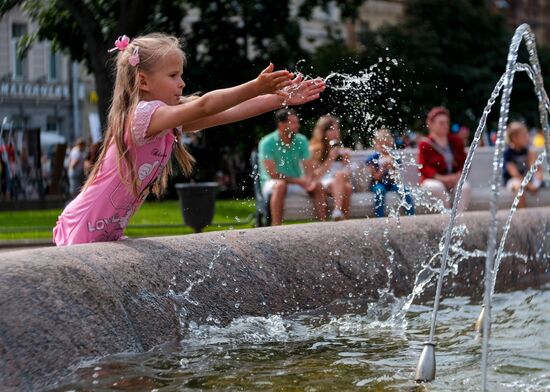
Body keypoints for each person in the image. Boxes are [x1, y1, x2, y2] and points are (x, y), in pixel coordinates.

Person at [53, 33, 325, 245]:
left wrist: (280, 98)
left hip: (105, 232)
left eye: (180, 74)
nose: (181, 83)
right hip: (83, 229)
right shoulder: (142, 116)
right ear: (143, 82)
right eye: (173, 75)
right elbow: (205, 105)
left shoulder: (165, 120)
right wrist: (255, 86)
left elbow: (226, 113)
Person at [258, 108, 327, 225]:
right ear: (281, 124)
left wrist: (309, 181)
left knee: (317, 185)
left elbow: (308, 167)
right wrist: (300, 181)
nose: (297, 125)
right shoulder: (267, 142)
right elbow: (273, 174)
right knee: (280, 185)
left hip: (296, 182)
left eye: (297, 122)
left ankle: (323, 226)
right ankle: (276, 228)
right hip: (272, 183)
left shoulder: (301, 140)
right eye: (293, 122)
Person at [418, 106, 471, 211]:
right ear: (431, 124)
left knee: (465, 187)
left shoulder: (456, 141)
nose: (445, 126)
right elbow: (423, 167)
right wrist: (441, 178)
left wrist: (457, 176)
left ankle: (458, 218)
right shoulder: (425, 144)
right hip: (434, 180)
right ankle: (446, 217)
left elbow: (465, 162)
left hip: (454, 179)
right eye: (441, 123)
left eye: (447, 122)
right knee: (436, 188)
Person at [309, 115, 353, 220]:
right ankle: (341, 218)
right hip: (323, 182)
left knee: (345, 184)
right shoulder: (314, 150)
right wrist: (330, 158)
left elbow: (348, 172)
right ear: (323, 131)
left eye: (337, 129)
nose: (335, 132)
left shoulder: (341, 149)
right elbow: (315, 175)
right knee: (345, 186)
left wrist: (345, 163)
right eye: (331, 129)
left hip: (338, 182)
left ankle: (338, 215)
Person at [366, 128, 414, 217]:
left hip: (392, 183)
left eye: (387, 145)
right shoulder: (373, 158)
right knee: (379, 191)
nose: (384, 148)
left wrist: (392, 168)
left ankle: (411, 215)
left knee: (405, 190)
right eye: (382, 145)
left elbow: (396, 177)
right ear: (376, 145)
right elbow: (376, 177)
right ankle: (379, 218)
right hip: (377, 183)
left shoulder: (394, 157)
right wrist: (383, 169)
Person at [503, 121, 543, 208]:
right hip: (513, 180)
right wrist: (529, 185)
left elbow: (536, 169)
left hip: (528, 181)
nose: (527, 137)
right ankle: (523, 216)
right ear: (514, 138)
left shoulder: (528, 151)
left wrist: (538, 177)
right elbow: (515, 174)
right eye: (524, 135)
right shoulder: (508, 153)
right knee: (518, 187)